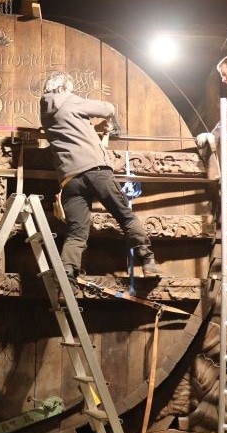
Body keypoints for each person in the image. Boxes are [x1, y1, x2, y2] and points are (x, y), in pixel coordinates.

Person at [39, 71, 161, 278]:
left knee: (76, 234)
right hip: (96, 170)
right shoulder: (70, 100)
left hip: (69, 179)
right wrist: (109, 122)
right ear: (62, 88)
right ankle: (147, 261)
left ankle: (66, 275)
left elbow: (72, 133)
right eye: (70, 89)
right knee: (126, 217)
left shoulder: (45, 112)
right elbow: (108, 108)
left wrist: (98, 132)